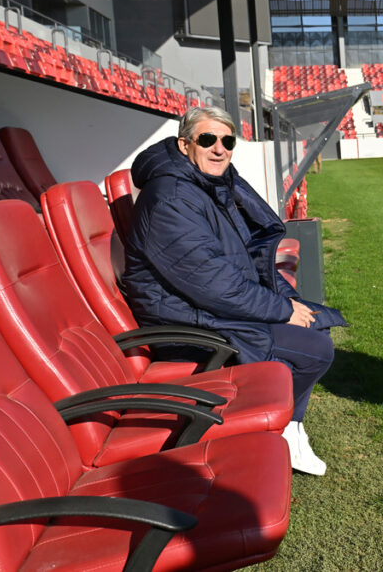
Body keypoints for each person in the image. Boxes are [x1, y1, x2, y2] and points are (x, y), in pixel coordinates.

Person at [122, 105, 344, 475]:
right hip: (185, 322)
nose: (219, 149)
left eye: (228, 141)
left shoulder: (200, 183)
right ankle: (285, 428)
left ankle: (289, 426)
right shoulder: (172, 197)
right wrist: (280, 309)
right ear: (184, 145)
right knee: (316, 349)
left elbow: (222, 265)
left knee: (313, 327)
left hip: (200, 306)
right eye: (207, 139)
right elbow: (212, 284)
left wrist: (279, 300)